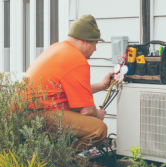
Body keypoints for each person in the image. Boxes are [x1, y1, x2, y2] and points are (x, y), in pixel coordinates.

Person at [24, 14, 112, 150]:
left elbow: (71, 90)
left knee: (76, 115)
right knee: (98, 129)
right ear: (85, 41)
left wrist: (101, 86)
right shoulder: (77, 60)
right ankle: (60, 160)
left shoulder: (57, 49)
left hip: (26, 113)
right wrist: (97, 114)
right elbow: (87, 111)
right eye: (95, 43)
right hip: (38, 114)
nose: (95, 49)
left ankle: (52, 154)